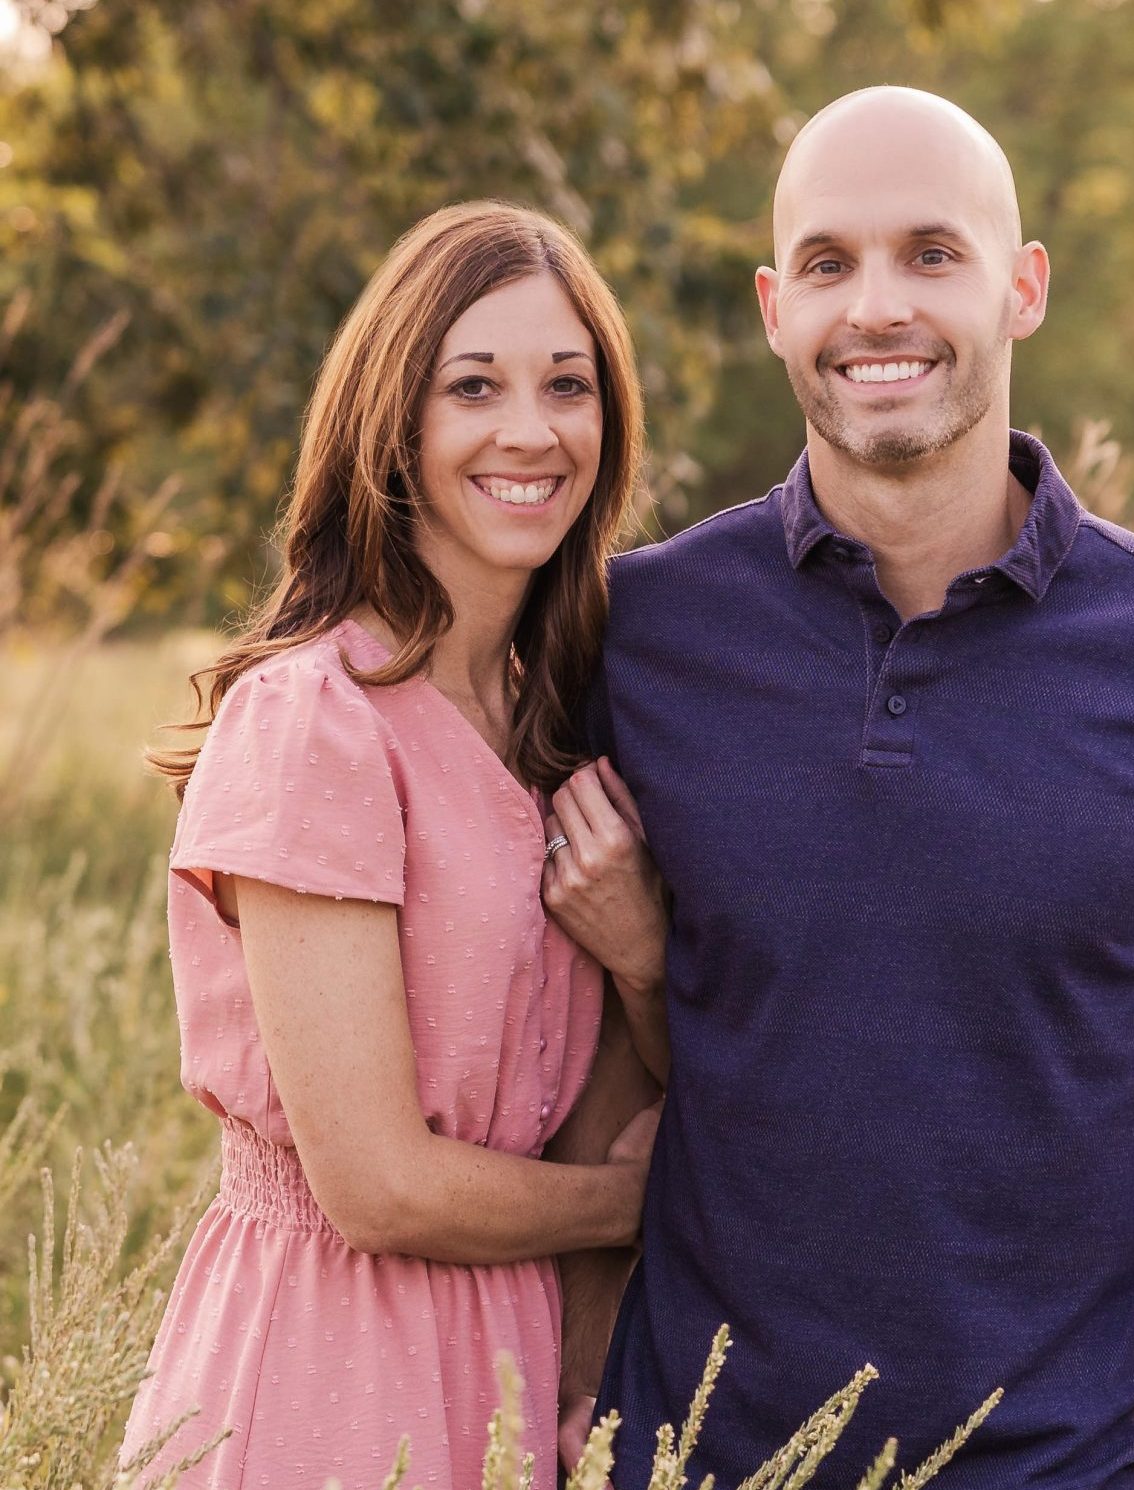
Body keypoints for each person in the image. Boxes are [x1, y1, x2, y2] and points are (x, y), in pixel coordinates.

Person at [568, 88, 1134, 1490]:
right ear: (770, 308)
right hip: (690, 1463)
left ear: (1021, 286)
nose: (876, 307)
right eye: (826, 263)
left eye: (931, 252)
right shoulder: (641, 632)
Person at [123, 201, 669, 1490]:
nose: (530, 431)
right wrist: (644, 1203)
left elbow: (601, 1100)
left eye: (568, 386)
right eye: (472, 385)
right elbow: (375, 1184)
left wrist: (644, 960)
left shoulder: (565, 723)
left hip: (515, 1361)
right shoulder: (317, 723)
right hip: (329, 1356)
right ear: (395, 424)